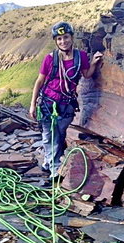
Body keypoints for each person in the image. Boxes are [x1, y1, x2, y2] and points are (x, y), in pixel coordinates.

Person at [28, 21, 103, 177]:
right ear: (56, 41)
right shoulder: (50, 58)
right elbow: (39, 81)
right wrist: (32, 105)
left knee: (60, 134)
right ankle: (54, 167)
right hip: (48, 102)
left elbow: (86, 74)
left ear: (71, 37)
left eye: (66, 37)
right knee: (50, 135)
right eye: (59, 38)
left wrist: (94, 63)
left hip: (66, 103)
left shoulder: (80, 56)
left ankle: (49, 160)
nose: (63, 41)